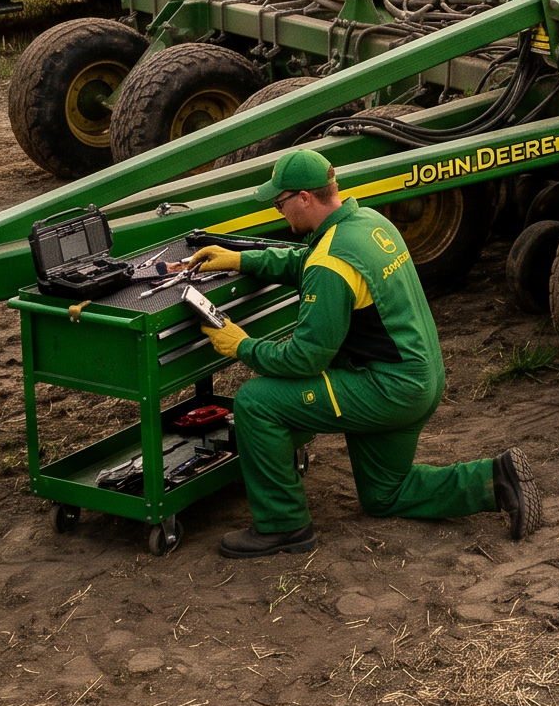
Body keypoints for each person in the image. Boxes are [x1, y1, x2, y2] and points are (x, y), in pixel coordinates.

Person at [184, 147, 539, 558]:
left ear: (304, 197)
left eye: (280, 203)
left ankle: (283, 526)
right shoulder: (368, 222)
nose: (279, 212)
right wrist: (243, 260)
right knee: (386, 494)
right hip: (422, 376)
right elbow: (310, 261)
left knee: (256, 402)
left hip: (388, 389)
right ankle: (495, 478)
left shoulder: (332, 262)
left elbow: (305, 358)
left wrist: (241, 345)